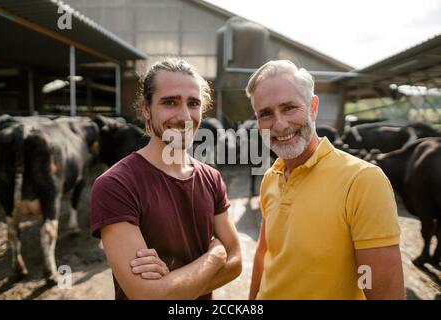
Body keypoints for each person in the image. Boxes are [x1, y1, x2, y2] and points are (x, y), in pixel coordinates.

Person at [246, 60, 404, 300]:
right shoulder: (271, 177)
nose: (279, 124)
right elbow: (264, 253)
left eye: (289, 108)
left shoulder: (363, 181)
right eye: (265, 114)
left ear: (313, 107)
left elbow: (385, 295)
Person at [90, 58, 242, 300]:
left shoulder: (211, 178)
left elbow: (236, 262)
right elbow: (147, 295)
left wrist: (170, 286)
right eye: (170, 102)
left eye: (193, 103)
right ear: (145, 108)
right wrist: (215, 257)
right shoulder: (115, 185)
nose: (184, 117)